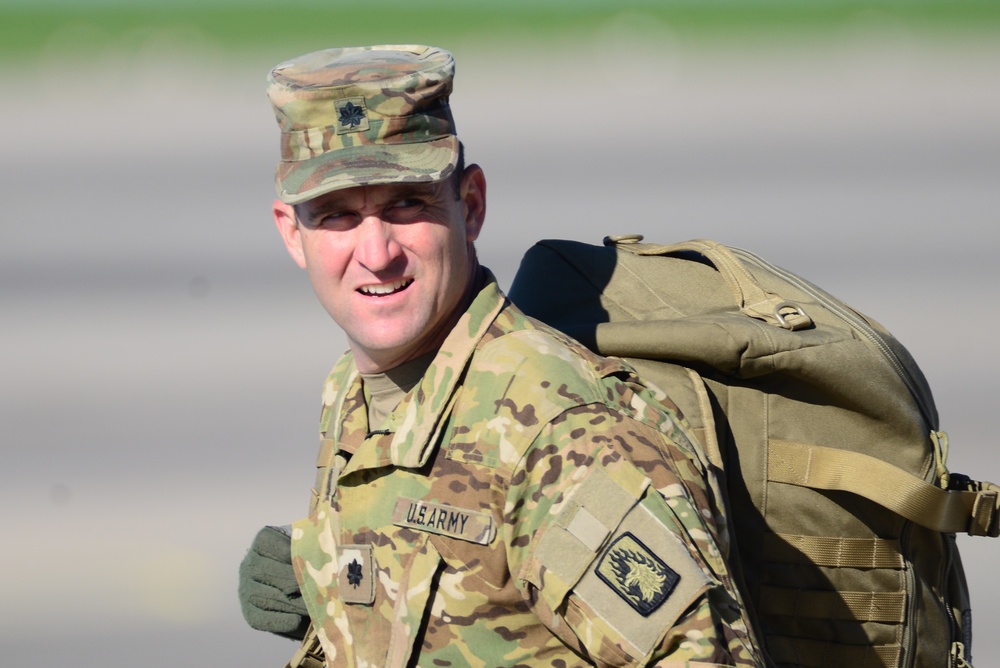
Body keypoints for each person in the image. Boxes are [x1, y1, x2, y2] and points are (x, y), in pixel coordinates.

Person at [239, 44, 764, 667]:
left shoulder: (557, 434)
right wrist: (334, 581)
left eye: (407, 204)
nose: (376, 253)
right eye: (337, 216)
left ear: (473, 205)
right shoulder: (355, 392)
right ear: (291, 234)